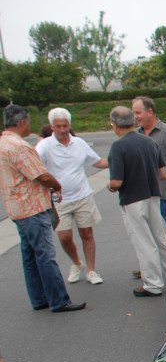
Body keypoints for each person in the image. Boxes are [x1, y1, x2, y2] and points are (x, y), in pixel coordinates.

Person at [0, 104, 85, 313]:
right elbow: (41, 175)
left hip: (16, 207)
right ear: (21, 122)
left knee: (29, 255)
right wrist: (56, 186)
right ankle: (59, 299)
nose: (29, 124)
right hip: (32, 206)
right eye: (28, 120)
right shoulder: (20, 146)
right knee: (45, 255)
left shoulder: (3, 142)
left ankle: (39, 298)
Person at [107, 106, 166, 297]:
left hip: (132, 198)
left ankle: (153, 284)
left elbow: (117, 182)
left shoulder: (118, 146)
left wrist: (110, 186)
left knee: (144, 242)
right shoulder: (149, 142)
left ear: (114, 125)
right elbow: (163, 173)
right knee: (161, 238)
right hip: (153, 195)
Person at [36, 108, 109, 285]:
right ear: (52, 127)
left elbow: (97, 162)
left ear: (70, 125)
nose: (62, 130)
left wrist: (119, 159)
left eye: (65, 126)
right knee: (64, 237)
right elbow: (35, 165)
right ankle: (77, 263)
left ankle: (91, 270)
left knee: (87, 233)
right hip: (59, 199)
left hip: (83, 195)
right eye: (58, 126)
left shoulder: (78, 143)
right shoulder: (45, 146)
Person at [132, 96, 166, 243]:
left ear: (149, 112)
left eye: (138, 113)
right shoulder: (136, 135)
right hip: (144, 194)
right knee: (151, 234)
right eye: (134, 113)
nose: (135, 117)